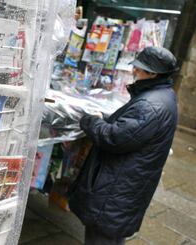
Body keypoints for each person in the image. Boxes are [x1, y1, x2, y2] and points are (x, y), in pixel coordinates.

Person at [68, 46, 179, 245]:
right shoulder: (162, 95)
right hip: (127, 185)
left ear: (153, 73)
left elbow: (114, 138)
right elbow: (132, 130)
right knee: (110, 236)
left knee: (102, 237)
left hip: (117, 189)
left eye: (139, 68)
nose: (134, 70)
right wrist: (107, 118)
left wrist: (90, 121)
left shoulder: (151, 105)